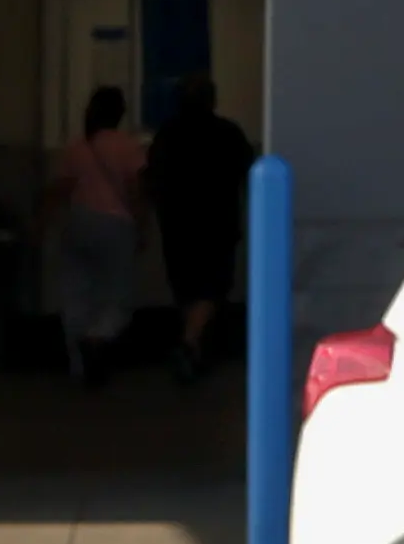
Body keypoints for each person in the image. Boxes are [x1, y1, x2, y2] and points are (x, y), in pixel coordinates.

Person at [146, 75, 257, 385]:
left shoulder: (167, 134)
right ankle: (190, 343)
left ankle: (192, 346)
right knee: (212, 288)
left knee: (185, 288)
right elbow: (250, 172)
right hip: (217, 223)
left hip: (177, 224)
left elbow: (153, 177)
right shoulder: (228, 132)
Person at [44, 83, 151, 393]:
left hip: (77, 223)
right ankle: (97, 339)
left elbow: (60, 189)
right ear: (119, 113)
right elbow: (135, 191)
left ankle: (78, 365)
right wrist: (143, 227)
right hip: (115, 226)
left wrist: (43, 224)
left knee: (77, 294)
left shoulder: (76, 147)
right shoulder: (128, 146)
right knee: (118, 296)